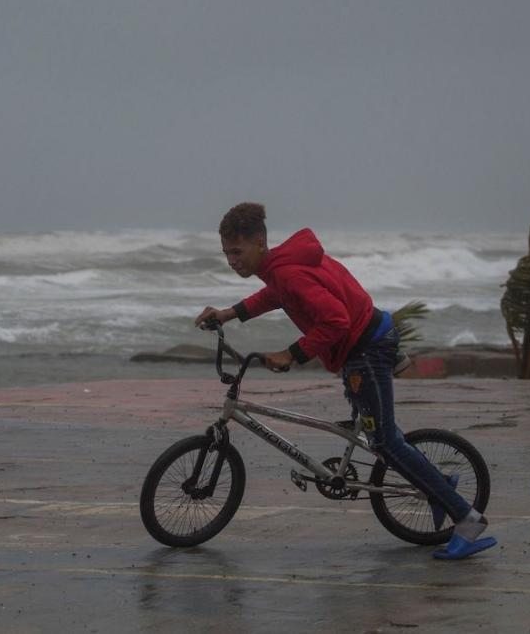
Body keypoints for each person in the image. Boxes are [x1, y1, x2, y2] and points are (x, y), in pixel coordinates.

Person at [195, 202, 493, 559]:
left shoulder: (287, 272)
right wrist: (230, 313)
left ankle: (467, 519)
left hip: (366, 349)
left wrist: (292, 353)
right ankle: (438, 484)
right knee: (381, 434)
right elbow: (276, 296)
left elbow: (334, 320)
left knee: (385, 442)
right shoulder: (281, 267)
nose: (232, 260)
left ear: (260, 243)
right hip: (366, 339)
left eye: (237, 251)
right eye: (226, 253)